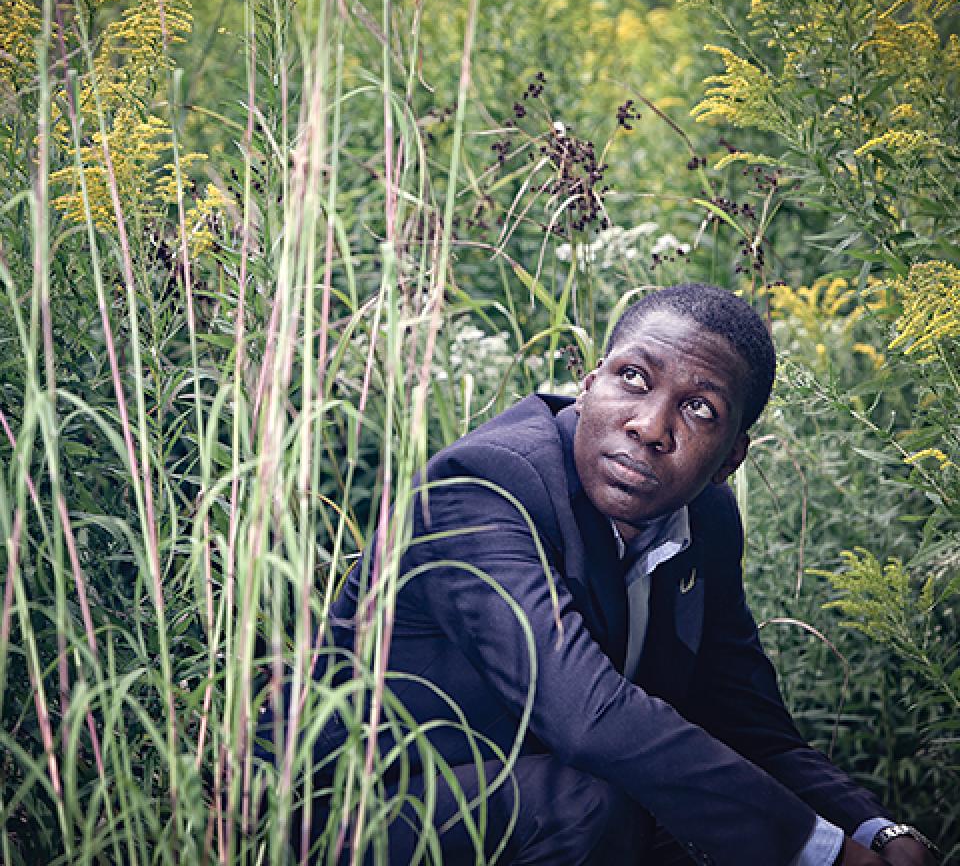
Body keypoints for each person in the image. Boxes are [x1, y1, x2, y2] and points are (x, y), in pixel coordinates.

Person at [275, 283, 939, 865]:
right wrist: (822, 857)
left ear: (730, 458)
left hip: (521, 804)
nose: (651, 426)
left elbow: (745, 721)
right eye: (634, 379)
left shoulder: (706, 519)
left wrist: (872, 831)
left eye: (699, 409)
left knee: (689, 817)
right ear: (589, 383)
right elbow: (587, 715)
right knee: (596, 805)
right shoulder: (484, 487)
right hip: (349, 813)